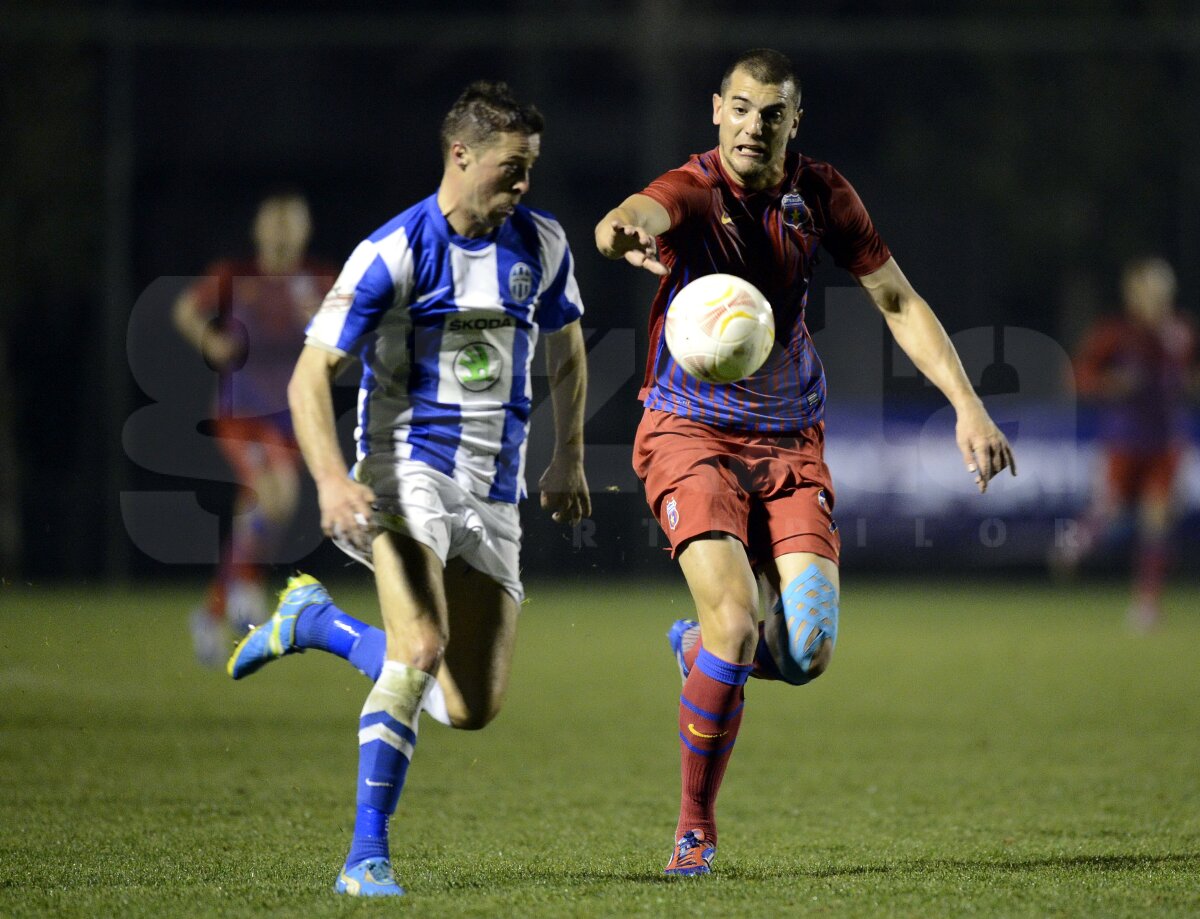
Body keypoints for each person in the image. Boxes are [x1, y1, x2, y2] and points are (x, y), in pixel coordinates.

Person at [594, 48, 1016, 875]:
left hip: (790, 439)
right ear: (717, 110)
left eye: (773, 113)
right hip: (688, 432)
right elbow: (628, 215)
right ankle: (694, 828)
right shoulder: (692, 190)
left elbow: (896, 297)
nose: (755, 125)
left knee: (805, 653)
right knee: (736, 617)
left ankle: (706, 652)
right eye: (741, 108)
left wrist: (968, 404)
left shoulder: (820, 196)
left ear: (794, 122)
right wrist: (621, 235)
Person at [225, 81, 589, 897]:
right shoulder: (393, 250)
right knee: (421, 646)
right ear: (461, 156)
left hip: (493, 495)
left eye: (531, 168)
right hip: (402, 474)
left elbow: (567, 348)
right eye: (512, 168)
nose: (524, 184)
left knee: (468, 706)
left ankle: (314, 621)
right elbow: (311, 377)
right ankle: (365, 857)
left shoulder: (542, 243)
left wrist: (568, 454)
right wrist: (327, 478)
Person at [173, 190, 334, 666]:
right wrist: (210, 339)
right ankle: (245, 587)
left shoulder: (320, 280)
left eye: (292, 224)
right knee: (275, 492)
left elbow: (353, 325)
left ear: (304, 231)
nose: (283, 233)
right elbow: (186, 308)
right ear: (259, 230)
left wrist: (324, 326)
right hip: (241, 411)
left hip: (292, 412)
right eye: (275, 223)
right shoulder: (235, 276)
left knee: (267, 505)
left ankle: (211, 610)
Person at [1057, 257, 1196, 629]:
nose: (1156, 297)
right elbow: (1079, 376)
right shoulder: (1114, 333)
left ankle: (1147, 605)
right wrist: (1111, 384)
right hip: (1123, 439)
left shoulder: (1180, 331)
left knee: (1157, 519)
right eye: (1149, 289)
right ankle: (1076, 542)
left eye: (1161, 289)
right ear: (1133, 295)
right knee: (1112, 512)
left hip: (1166, 442)